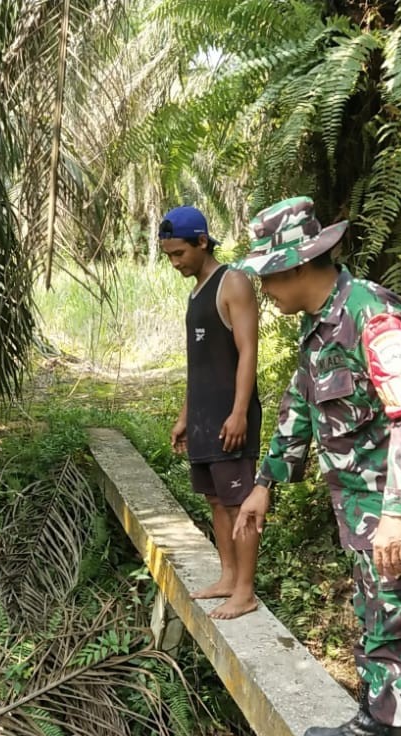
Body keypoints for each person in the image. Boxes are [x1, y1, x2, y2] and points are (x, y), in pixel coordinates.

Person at [232, 196, 401, 736]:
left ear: (298, 267)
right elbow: (299, 410)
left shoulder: (373, 318)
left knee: (397, 627)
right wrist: (265, 482)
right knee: (373, 613)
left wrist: (397, 516)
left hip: (398, 509)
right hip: (362, 507)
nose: (265, 292)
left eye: (267, 278)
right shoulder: (320, 326)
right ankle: (373, 720)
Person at [159, 205, 263, 620]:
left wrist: (239, 412)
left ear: (202, 242)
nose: (174, 262)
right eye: (168, 255)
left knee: (240, 503)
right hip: (204, 417)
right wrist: (187, 414)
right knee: (216, 501)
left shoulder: (231, 283)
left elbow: (248, 351)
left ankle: (245, 590)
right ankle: (227, 576)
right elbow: (199, 362)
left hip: (228, 418)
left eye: (179, 253)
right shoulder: (196, 290)